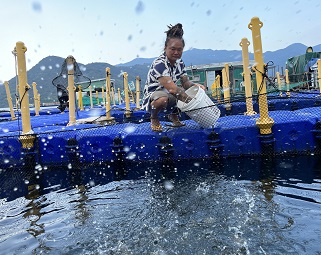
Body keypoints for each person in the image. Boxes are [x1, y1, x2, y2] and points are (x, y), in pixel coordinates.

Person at [142, 23, 204, 132]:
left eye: (179, 50)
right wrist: (192, 102)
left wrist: (195, 86)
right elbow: (172, 89)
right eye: (173, 49)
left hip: (171, 92)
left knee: (184, 91)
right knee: (164, 98)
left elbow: (185, 83)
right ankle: (154, 118)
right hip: (154, 94)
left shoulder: (180, 63)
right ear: (165, 48)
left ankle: (173, 115)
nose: (176, 52)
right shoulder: (159, 64)